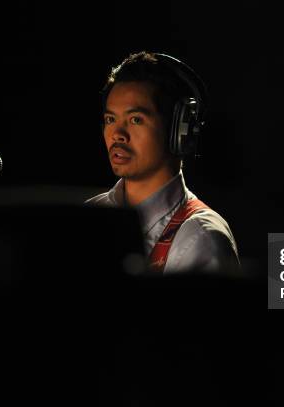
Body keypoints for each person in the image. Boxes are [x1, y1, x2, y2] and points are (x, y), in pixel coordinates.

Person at [86, 51, 239, 274]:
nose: (117, 134)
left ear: (179, 131)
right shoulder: (89, 215)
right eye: (111, 119)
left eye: (135, 119)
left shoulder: (200, 237)